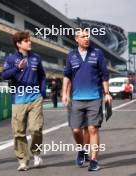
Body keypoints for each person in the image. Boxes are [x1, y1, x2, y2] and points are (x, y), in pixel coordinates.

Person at [62, 28, 112, 171]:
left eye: (87, 36)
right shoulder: (71, 55)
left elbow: (104, 75)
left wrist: (107, 92)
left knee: (92, 128)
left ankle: (94, 160)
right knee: (76, 130)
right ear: (76, 39)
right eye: (83, 36)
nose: (86, 38)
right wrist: (65, 93)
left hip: (94, 98)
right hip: (76, 98)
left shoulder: (97, 53)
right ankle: (82, 150)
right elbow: (67, 75)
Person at [2, 31, 46, 171]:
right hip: (18, 99)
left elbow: (42, 76)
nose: (30, 42)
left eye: (29, 40)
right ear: (19, 44)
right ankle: (23, 161)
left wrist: (42, 93)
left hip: (35, 98)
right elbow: (4, 75)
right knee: (19, 132)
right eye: (26, 41)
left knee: (36, 129)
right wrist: (17, 68)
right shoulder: (11, 58)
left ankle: (37, 154)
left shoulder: (36, 58)